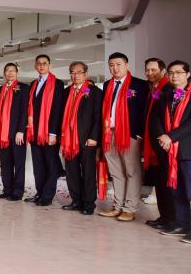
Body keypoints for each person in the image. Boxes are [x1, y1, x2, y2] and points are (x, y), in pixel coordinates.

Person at [154, 61, 191, 244]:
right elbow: (158, 119)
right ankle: (182, 224)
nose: (174, 76)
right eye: (171, 72)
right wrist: (163, 137)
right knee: (176, 190)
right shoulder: (167, 95)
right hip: (170, 151)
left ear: (187, 74)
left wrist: (170, 136)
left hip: (189, 151)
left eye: (179, 72)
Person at [98, 52, 149, 222]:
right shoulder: (107, 85)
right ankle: (117, 206)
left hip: (130, 134)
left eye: (118, 64)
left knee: (132, 171)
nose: (115, 68)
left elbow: (145, 111)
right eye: (111, 65)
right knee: (116, 172)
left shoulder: (140, 85)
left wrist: (139, 134)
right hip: (109, 133)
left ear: (127, 65)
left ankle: (130, 208)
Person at [60, 62, 103, 215]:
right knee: (71, 172)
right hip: (68, 139)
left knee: (88, 172)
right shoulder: (66, 92)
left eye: (79, 72)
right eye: (72, 72)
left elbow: (98, 117)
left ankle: (89, 203)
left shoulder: (95, 92)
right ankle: (76, 200)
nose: (75, 75)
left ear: (85, 73)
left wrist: (94, 137)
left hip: (86, 139)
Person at [25, 55, 64, 206]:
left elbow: (57, 109)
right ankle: (39, 193)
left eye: (45, 63)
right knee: (38, 165)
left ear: (50, 65)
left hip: (49, 132)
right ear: (35, 66)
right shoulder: (33, 84)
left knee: (50, 165)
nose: (41, 66)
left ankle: (47, 197)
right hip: (34, 132)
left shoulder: (57, 84)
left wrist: (53, 133)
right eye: (39, 64)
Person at [143, 58, 174, 229]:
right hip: (155, 145)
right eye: (147, 70)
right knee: (160, 183)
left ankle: (172, 219)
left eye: (153, 70)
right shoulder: (155, 89)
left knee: (167, 185)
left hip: (165, 145)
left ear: (162, 71)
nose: (149, 73)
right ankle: (164, 217)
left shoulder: (169, 89)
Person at [0, 63, 30, 201]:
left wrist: (21, 130)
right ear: (4, 73)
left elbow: (25, 110)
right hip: (3, 133)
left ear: (17, 73)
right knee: (6, 163)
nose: (10, 73)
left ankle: (18, 192)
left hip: (17, 133)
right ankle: (7, 190)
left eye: (12, 71)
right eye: (7, 71)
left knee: (19, 163)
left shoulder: (23, 87)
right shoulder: (0, 90)